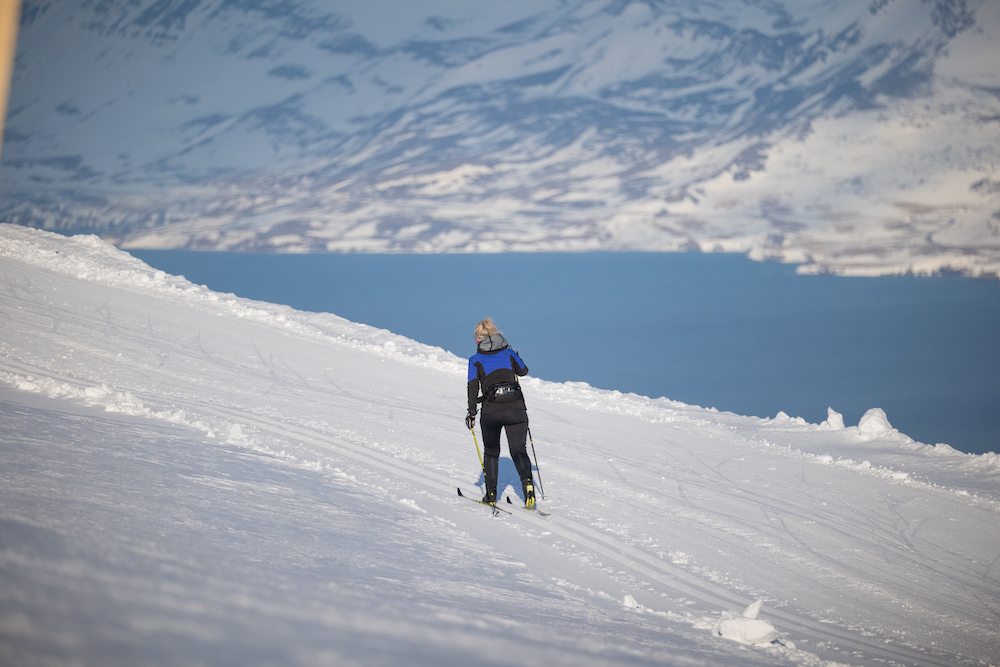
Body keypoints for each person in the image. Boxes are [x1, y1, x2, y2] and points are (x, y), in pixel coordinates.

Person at [465, 318, 535, 508]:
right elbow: (523, 371)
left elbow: (472, 389)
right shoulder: (509, 352)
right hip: (516, 410)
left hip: (491, 412)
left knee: (491, 452)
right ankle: (528, 487)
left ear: (479, 340)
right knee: (519, 450)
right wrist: (515, 355)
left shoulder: (475, 360)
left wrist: (471, 414)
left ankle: (491, 495)